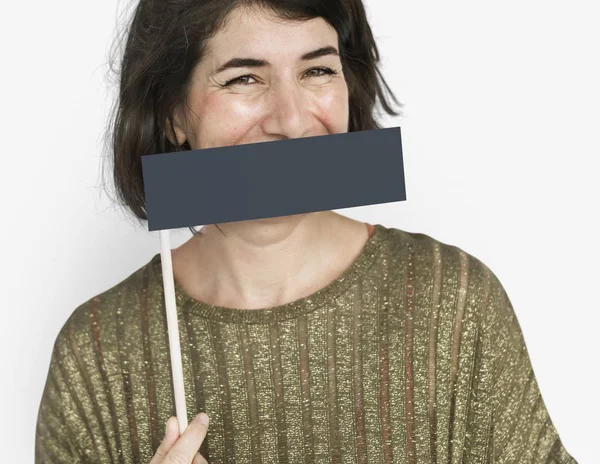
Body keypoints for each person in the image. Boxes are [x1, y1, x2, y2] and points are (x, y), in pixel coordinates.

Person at [34, 0, 578, 463]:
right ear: (174, 112)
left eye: (317, 70)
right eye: (245, 77)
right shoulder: (96, 355)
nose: (292, 122)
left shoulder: (455, 303)